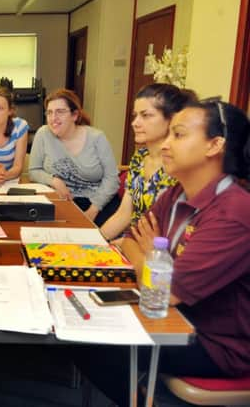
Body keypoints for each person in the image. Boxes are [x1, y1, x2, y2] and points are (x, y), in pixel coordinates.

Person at [77, 100, 250, 406]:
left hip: (216, 344)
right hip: (171, 315)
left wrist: (150, 257)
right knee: (80, 328)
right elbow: (131, 239)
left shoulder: (234, 211)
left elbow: (167, 292)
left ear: (215, 145)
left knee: (93, 343)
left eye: (178, 135)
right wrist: (154, 260)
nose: (166, 145)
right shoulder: (176, 193)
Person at [100, 83, 196, 242]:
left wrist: (123, 245)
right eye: (135, 115)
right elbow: (124, 215)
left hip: (157, 250)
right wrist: (96, 242)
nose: (135, 123)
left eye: (146, 115)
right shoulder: (139, 158)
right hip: (128, 241)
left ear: (172, 119)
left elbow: (173, 230)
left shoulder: (179, 166)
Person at [28, 88, 120, 225]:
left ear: (75, 115)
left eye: (60, 112)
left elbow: (112, 179)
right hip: (62, 201)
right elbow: (33, 170)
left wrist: (93, 210)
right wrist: (54, 181)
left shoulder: (97, 138)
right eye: (49, 112)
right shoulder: (43, 134)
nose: (53, 118)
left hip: (99, 202)